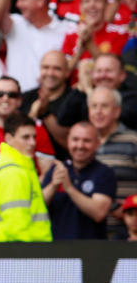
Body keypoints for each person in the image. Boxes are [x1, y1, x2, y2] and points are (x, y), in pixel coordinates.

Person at [0, 114, 53, 242]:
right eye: (25, 137)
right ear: (8, 138)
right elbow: (16, 226)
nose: (32, 143)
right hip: (9, 254)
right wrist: (31, 256)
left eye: (34, 137)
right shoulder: (13, 171)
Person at [0, 0, 71, 92]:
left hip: (49, 98)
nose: (18, 5)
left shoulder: (64, 29)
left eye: (23, 0)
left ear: (40, 1)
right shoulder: (16, 24)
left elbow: (69, 66)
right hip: (15, 99)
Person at [41, 122, 116, 240]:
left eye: (87, 141)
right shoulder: (56, 170)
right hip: (56, 251)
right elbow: (37, 208)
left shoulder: (104, 173)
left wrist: (69, 188)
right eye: (75, 139)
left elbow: (99, 213)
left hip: (91, 251)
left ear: (97, 144)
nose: (80, 145)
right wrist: (53, 185)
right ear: (68, 141)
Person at [0, 76, 56, 160]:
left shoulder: (37, 128)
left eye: (12, 95)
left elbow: (48, 170)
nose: (5, 98)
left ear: (19, 101)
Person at [87, 86, 137, 236]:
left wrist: (131, 205)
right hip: (88, 234)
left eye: (104, 106)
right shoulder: (81, 142)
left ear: (117, 111)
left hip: (126, 233)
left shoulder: (133, 141)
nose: (98, 111)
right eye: (94, 106)